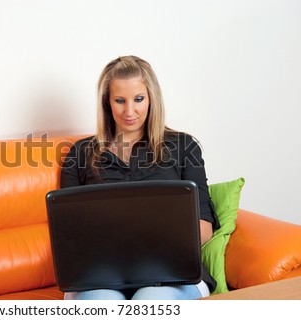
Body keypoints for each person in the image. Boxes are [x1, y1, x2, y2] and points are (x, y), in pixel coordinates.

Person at [60, 55, 220, 300]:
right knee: (102, 303)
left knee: (148, 301)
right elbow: (68, 237)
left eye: (138, 99)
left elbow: (204, 228)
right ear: (107, 103)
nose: (129, 111)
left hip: (172, 274)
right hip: (99, 278)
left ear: (151, 99)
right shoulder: (80, 154)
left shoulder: (184, 147)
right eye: (120, 101)